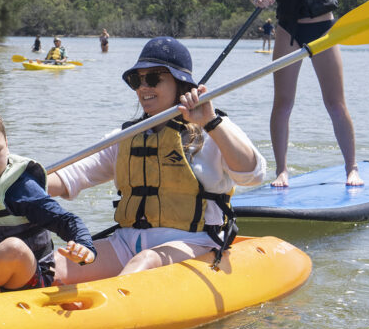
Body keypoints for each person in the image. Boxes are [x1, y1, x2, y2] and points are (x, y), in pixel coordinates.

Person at [47, 36, 265, 282]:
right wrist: (19, 180)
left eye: (152, 79)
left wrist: (211, 122)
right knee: (50, 267)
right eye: (136, 80)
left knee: (145, 261)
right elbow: (70, 177)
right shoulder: (126, 137)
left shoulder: (211, 128)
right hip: (126, 242)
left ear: (181, 84)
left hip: (193, 243)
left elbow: (253, 174)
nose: (143, 87)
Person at [247, 0, 369, 187]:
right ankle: (282, 171)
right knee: (283, 103)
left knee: (336, 103)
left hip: (324, 30)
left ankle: (351, 168)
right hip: (289, 30)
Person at [0, 105, 96, 296]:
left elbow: (66, 220)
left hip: (28, 275)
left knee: (13, 249)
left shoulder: (21, 187)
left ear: (6, 144)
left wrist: (84, 246)